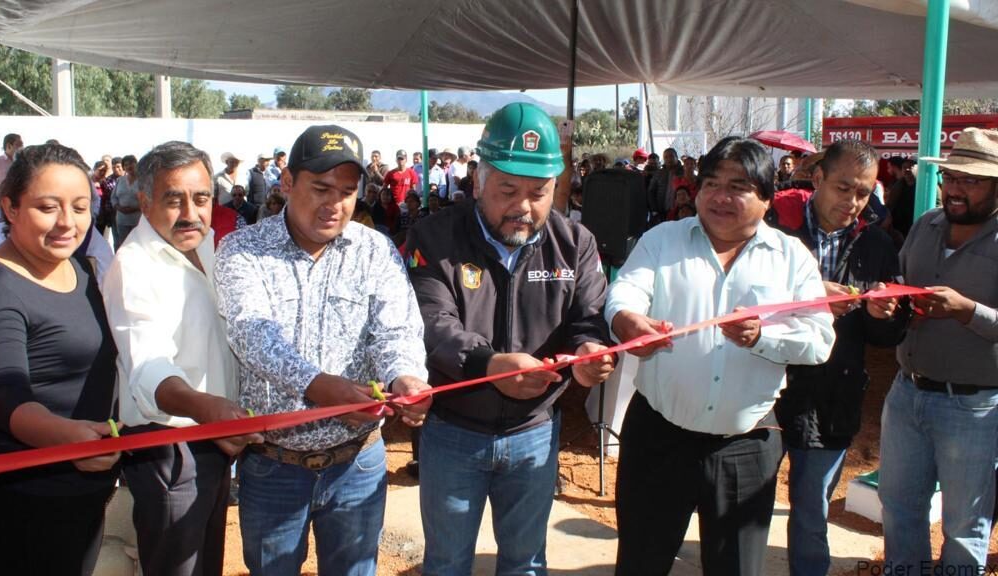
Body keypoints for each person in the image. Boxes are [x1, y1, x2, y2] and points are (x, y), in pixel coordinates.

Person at [606, 136, 835, 576]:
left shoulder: (791, 258)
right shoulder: (662, 240)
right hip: (658, 437)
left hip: (746, 445)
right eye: (711, 183)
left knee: (736, 567)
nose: (720, 197)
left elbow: (820, 339)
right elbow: (625, 292)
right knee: (640, 562)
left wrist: (763, 336)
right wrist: (626, 320)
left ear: (767, 198)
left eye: (738, 186)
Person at [406, 102, 615, 575]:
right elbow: (432, 323)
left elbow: (589, 318)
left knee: (526, 563)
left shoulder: (575, 244)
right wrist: (488, 365)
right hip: (453, 432)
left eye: (539, 192)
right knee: (446, 563)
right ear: (479, 179)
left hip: (535, 434)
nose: (523, 206)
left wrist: (590, 352)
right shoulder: (435, 237)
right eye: (507, 190)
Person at [214, 124, 432, 576]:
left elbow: (396, 330)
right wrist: (319, 387)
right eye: (321, 188)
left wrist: (405, 376)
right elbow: (253, 336)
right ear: (287, 182)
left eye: (347, 192)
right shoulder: (242, 249)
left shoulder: (375, 250)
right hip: (274, 465)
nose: (335, 203)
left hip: (357, 463)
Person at [102, 140, 259, 576]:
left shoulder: (205, 246)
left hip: (213, 437)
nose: (191, 213)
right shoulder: (135, 267)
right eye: (174, 200)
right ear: (145, 202)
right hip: (170, 449)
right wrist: (209, 410)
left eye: (201, 198)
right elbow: (149, 367)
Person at [0, 143, 121, 575]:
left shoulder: (82, 269)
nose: (67, 222)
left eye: (80, 207)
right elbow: (5, 394)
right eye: (47, 207)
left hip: (83, 492)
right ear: (10, 207)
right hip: (26, 502)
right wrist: (68, 438)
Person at [771, 140, 906, 576]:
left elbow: (887, 336)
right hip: (765, 388)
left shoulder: (878, 244)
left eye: (864, 192)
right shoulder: (772, 229)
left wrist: (884, 314)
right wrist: (810, 298)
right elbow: (740, 301)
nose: (852, 202)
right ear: (817, 179)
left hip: (833, 395)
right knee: (745, 502)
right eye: (843, 188)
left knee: (812, 509)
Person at [878, 127, 998, 574]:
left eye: (972, 180)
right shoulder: (926, 225)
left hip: (973, 406)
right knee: (898, 507)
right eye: (952, 177)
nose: (956, 189)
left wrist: (967, 311)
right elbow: (900, 283)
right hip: (906, 393)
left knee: (965, 524)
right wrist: (891, 303)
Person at [112, 154, 141, 249]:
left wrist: (136, 208)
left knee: (138, 247)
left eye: (131, 163)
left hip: (138, 220)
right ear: (124, 167)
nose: (129, 166)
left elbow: (149, 199)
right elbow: (113, 198)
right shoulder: (120, 180)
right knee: (124, 247)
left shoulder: (143, 180)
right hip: (121, 220)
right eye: (126, 164)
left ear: (136, 164)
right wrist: (119, 207)